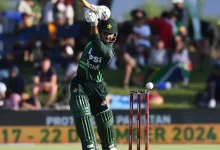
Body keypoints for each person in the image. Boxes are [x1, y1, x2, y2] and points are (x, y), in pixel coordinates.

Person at [69, 6, 118, 150]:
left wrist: (94, 23)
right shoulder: (92, 37)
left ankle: (110, 146)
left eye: (111, 34)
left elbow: (97, 42)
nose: (108, 36)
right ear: (100, 32)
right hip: (81, 84)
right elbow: (93, 35)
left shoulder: (109, 52)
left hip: (97, 87)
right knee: (82, 111)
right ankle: (89, 145)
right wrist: (97, 16)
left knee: (105, 119)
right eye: (105, 33)